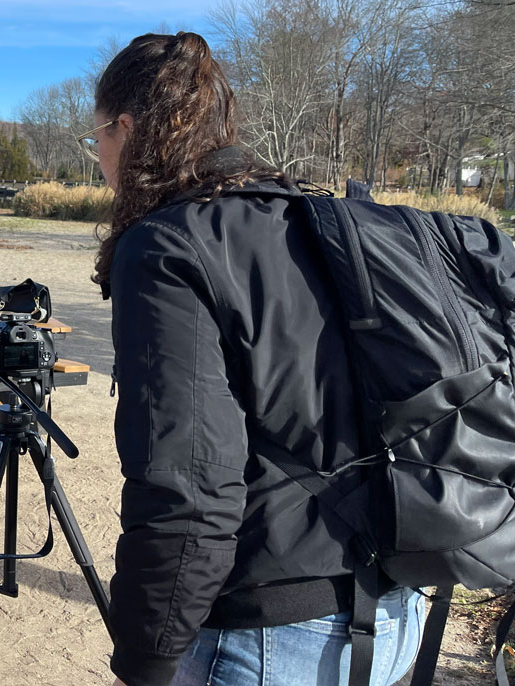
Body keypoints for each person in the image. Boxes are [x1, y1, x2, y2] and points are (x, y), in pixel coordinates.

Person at [87, 33, 424, 685]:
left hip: (274, 639)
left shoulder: (168, 245)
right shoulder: (311, 220)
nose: (97, 157)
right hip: (391, 614)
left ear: (125, 129)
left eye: (95, 138)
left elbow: (188, 486)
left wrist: (146, 659)